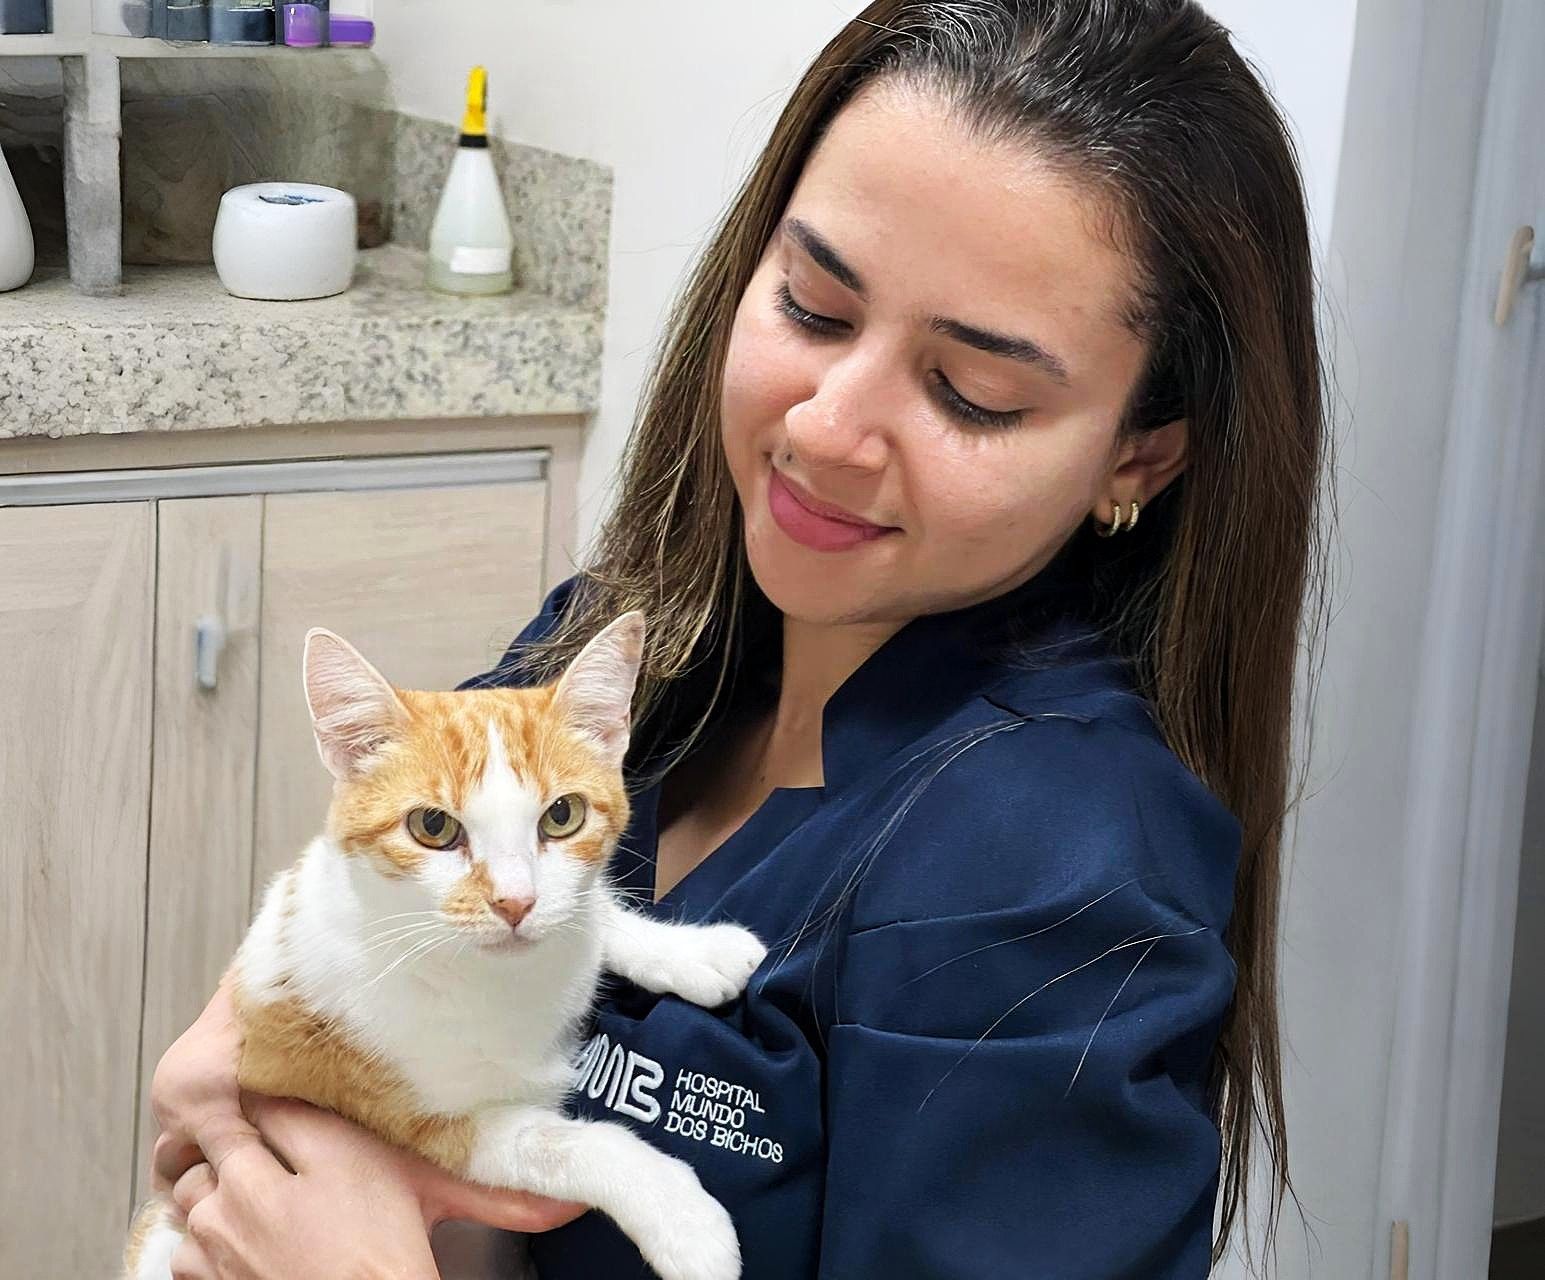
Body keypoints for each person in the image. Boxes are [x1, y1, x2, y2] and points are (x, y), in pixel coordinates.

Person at [149, 1, 1331, 1276]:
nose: (826, 427)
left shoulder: (1053, 873)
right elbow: (319, 961)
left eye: (971, 393)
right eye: (815, 308)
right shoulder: (646, 627)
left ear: (1139, 453)